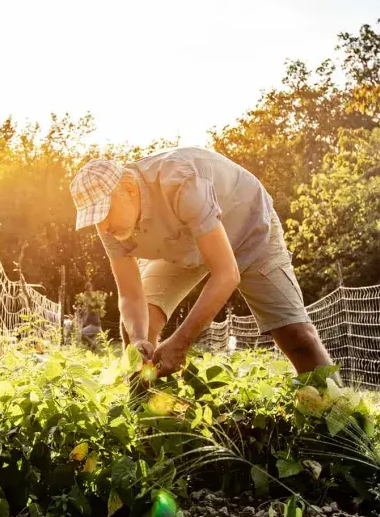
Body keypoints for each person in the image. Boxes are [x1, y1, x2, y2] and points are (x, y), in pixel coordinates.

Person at [69, 146, 339, 381]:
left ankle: (345, 422)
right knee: (140, 331)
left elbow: (226, 274)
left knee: (297, 336)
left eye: (105, 211)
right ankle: (147, 420)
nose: (101, 224)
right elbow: (130, 294)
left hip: (247, 229)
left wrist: (181, 343)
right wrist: (139, 337)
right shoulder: (110, 227)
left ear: (128, 189)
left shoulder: (181, 181)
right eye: (95, 217)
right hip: (181, 246)